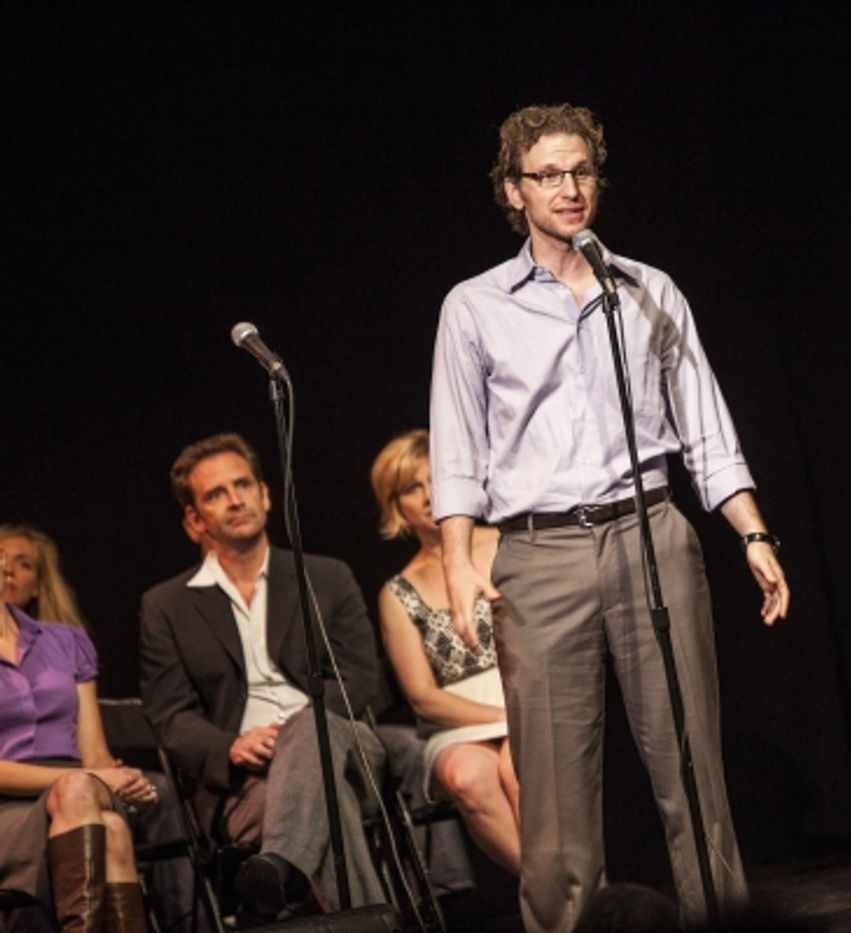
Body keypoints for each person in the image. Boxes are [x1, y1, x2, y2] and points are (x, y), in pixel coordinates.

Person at [429, 103, 789, 933]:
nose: (569, 187)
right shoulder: (475, 306)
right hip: (539, 551)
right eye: (548, 174)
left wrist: (753, 532)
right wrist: (458, 561)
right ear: (513, 191)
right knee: (555, 801)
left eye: (581, 170)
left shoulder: (646, 288)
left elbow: (705, 426)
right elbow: (456, 449)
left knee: (694, 770)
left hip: (650, 532)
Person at [138, 433, 385, 926]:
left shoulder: (327, 576)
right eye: (216, 494)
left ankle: (281, 868)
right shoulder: (165, 605)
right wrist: (230, 746)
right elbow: (170, 717)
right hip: (244, 780)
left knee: (309, 730)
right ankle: (301, 875)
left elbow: (360, 679)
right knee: (325, 809)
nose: (235, 500)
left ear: (266, 494)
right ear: (193, 520)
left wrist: (298, 728)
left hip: (345, 746)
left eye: (243, 485)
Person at [370, 429, 521, 873]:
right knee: (466, 778)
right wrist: (498, 719)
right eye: (412, 488)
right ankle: (551, 896)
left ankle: (561, 903)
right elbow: (422, 697)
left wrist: (515, 713)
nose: (429, 495)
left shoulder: (506, 542)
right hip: (456, 721)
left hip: (526, 694)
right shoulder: (397, 591)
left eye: (436, 479)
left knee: (518, 768)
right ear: (396, 507)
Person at [1, 548, 158, 933]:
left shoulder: (65, 640)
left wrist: (115, 778)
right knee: (113, 832)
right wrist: (92, 780)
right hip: (8, 810)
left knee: (84, 797)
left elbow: (94, 751)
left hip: (82, 787)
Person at [0, 523, 87, 628]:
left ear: (37, 586)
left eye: (25, 565)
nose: (8, 569)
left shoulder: (66, 641)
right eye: (1, 559)